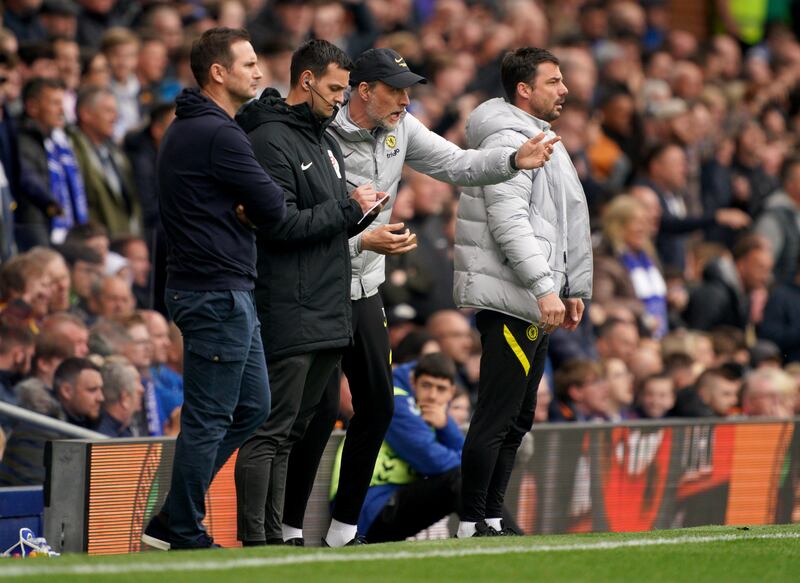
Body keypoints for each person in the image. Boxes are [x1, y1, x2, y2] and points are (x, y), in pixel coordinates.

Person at [296, 46, 557, 547]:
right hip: (315, 287)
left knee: (377, 406)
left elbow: (457, 163)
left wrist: (511, 159)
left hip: (366, 286)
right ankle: (284, 530)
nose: (404, 101)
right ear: (363, 91)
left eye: (409, 91)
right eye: (395, 91)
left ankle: (342, 531)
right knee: (310, 412)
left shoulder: (401, 128)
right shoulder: (318, 132)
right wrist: (357, 239)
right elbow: (293, 219)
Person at [141, 27, 286, 552]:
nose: (259, 71)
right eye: (248, 64)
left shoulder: (194, 127)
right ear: (218, 73)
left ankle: (172, 517)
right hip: (215, 293)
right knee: (209, 416)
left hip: (216, 290)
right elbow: (272, 205)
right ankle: (180, 529)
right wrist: (250, 211)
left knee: (251, 407)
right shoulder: (216, 133)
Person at [233, 39, 378, 548]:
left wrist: (361, 211)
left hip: (327, 307)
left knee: (293, 432)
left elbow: (327, 219)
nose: (341, 99)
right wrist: (346, 210)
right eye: (336, 88)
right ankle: (256, 540)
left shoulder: (325, 141)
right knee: (270, 430)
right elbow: (279, 225)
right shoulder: (270, 139)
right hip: (291, 306)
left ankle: (274, 537)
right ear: (307, 80)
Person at [453, 47, 592, 537]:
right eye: (554, 81)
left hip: (536, 298)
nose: (565, 89)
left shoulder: (540, 139)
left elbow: (556, 221)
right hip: (515, 299)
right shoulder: (508, 143)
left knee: (518, 418)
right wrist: (544, 286)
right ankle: (471, 522)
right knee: (496, 416)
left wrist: (570, 285)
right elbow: (510, 224)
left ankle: (492, 516)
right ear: (524, 90)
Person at [330, 353, 464, 542]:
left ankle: (486, 529)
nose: (433, 396)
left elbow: (467, 459)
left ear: (451, 392)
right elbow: (432, 460)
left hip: (390, 501)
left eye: (441, 389)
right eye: (426, 386)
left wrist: (445, 425)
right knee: (462, 478)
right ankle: (482, 530)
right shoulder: (395, 401)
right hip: (366, 508)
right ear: (413, 381)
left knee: (469, 476)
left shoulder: (430, 411)